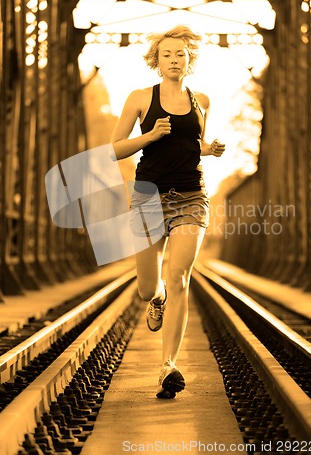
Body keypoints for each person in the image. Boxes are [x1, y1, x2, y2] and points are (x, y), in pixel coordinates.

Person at [111, 25, 225, 399]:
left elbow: (191, 145)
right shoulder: (141, 98)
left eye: (181, 54)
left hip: (192, 195)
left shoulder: (201, 100)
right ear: (156, 61)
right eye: (167, 55)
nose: (175, 60)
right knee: (149, 288)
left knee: (178, 277)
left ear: (189, 59)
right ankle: (155, 300)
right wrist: (149, 136)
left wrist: (211, 149)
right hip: (148, 195)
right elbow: (114, 149)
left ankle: (168, 366)